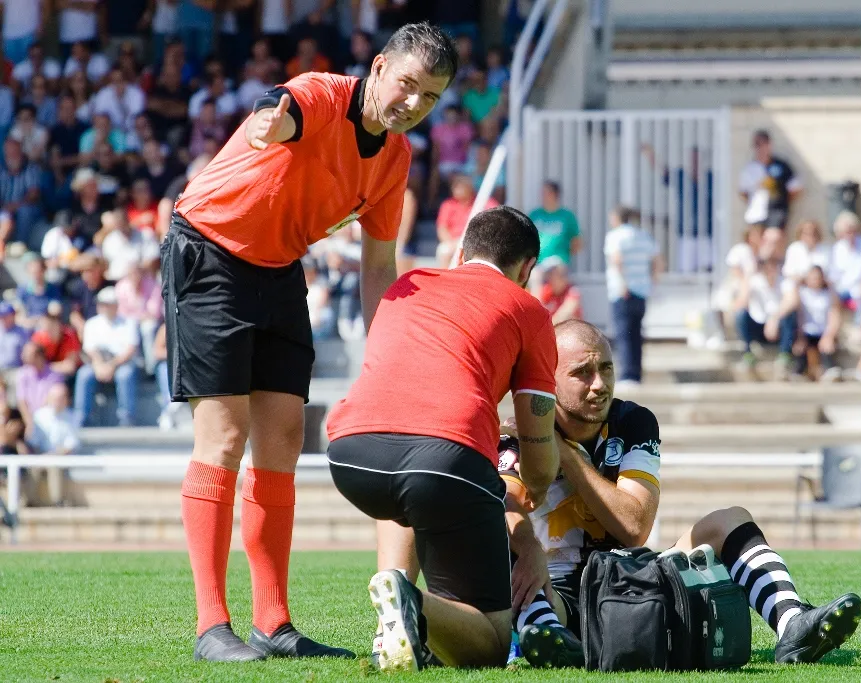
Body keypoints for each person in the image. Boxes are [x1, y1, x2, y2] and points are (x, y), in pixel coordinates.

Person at [162, 22, 458, 662]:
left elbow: (379, 267)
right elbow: (283, 106)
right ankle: (212, 626)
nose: (413, 103)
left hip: (279, 268)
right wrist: (272, 119)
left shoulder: (395, 159)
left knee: (285, 438)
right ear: (378, 67)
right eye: (408, 84)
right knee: (224, 435)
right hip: (209, 254)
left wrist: (388, 360)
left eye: (430, 97)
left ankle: (274, 623)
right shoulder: (322, 94)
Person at [402, 320, 861, 669]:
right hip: (556, 589)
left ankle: (792, 622)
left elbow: (635, 526)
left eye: (605, 368)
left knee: (729, 519)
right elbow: (508, 509)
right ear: (548, 378)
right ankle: (549, 639)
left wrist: (569, 457)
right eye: (582, 373)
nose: (599, 383)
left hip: (632, 581)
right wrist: (528, 547)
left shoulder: (634, 422)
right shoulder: (516, 432)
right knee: (508, 558)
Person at [327, 207, 559, 671]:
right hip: (443, 458)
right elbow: (535, 446)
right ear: (527, 268)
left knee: (408, 479)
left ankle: (389, 615)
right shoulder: (527, 309)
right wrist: (533, 486)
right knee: (491, 643)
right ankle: (408, 599)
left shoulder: (404, 286)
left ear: (460, 252)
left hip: (352, 455)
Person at [604, 206, 660, 384]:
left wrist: (622, 284)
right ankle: (637, 374)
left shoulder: (615, 236)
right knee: (637, 333)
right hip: (642, 290)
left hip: (623, 292)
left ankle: (627, 375)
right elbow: (658, 261)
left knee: (624, 333)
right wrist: (651, 282)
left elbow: (617, 260)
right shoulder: (643, 236)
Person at [74, 287, 140, 427]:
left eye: (107, 304)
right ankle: (81, 418)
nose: (103, 307)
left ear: (116, 305)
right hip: (98, 363)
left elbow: (130, 349)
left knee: (125, 375)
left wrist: (111, 365)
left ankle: (127, 418)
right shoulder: (92, 323)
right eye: (101, 304)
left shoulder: (129, 322)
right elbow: (90, 349)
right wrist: (99, 365)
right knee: (84, 374)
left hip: (122, 363)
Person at [735, 258, 799, 382]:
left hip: (778, 328)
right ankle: (748, 354)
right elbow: (740, 302)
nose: (770, 271)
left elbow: (793, 301)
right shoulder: (754, 282)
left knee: (790, 316)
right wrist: (748, 277)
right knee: (740, 315)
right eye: (766, 267)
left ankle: (784, 357)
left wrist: (774, 319)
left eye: (772, 267)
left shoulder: (785, 282)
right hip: (758, 327)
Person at [738, 130, 802, 233]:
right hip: (756, 214)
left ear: (769, 144)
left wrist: (781, 202)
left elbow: (795, 189)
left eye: (763, 143)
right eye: (757, 144)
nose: (760, 148)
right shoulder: (749, 169)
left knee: (773, 239)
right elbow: (743, 192)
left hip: (776, 213)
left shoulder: (781, 166)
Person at [794, 266, 842, 382]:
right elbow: (798, 317)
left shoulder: (829, 294)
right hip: (806, 332)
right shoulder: (801, 294)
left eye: (817, 278)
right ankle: (800, 372)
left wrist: (829, 336)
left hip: (823, 332)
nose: (815, 281)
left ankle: (830, 369)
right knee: (801, 348)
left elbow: (835, 316)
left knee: (827, 346)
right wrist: (799, 336)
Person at [529, 180, 581, 266]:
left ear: (555, 194)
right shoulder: (535, 215)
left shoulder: (567, 216)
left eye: (547, 193)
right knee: (534, 277)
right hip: (537, 262)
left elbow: (576, 241)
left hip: (558, 261)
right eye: (543, 193)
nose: (544, 196)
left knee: (556, 274)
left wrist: (565, 254)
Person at [536, 257, 582, 324]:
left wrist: (545, 327)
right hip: (552, 330)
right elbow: (536, 313)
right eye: (548, 274)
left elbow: (564, 315)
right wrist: (536, 283)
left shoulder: (572, 291)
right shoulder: (546, 290)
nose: (548, 277)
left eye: (552, 273)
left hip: (569, 331)